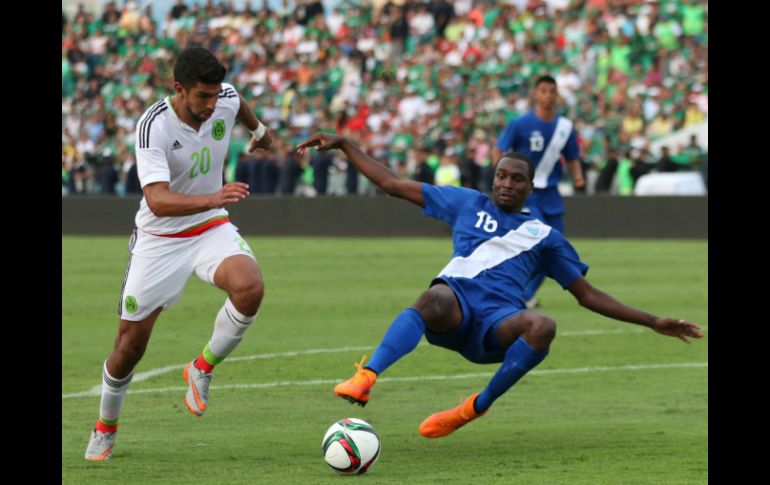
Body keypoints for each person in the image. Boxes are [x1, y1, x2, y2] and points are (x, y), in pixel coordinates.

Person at [296, 133, 703, 439]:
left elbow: (587, 295)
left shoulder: (542, 235)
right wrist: (347, 145)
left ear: (530, 188)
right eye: (501, 176)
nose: (506, 183)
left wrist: (652, 321)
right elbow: (393, 184)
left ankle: (473, 408)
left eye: (516, 179)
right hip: (454, 308)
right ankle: (366, 378)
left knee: (543, 325)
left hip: (497, 324)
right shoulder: (467, 203)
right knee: (432, 296)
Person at [85, 46, 273, 461]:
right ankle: (105, 426)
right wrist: (215, 196)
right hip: (160, 239)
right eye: (202, 97)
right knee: (129, 347)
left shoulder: (222, 98)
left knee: (250, 287)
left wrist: (259, 131)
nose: (211, 104)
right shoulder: (153, 125)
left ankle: (201, 368)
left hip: (209, 227)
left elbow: (236, 101)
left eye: (214, 94)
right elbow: (157, 200)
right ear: (179, 89)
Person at [492, 75, 585, 309]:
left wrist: (578, 175)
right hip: (527, 195)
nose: (548, 96)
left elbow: (572, 156)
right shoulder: (520, 124)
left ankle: (525, 295)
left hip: (551, 194)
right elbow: (498, 149)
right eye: (543, 91)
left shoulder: (564, 127)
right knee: (538, 240)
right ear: (535, 94)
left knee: (554, 248)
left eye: (552, 92)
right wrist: (502, 176)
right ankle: (518, 294)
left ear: (557, 95)